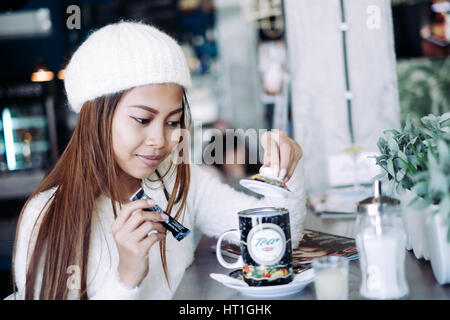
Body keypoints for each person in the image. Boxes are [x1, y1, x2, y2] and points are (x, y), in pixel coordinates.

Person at [9, 21, 306, 300]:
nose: (160, 140)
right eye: (142, 119)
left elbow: (275, 240)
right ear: (95, 119)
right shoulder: (47, 216)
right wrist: (126, 278)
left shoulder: (180, 182)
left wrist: (285, 172)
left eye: (173, 122)